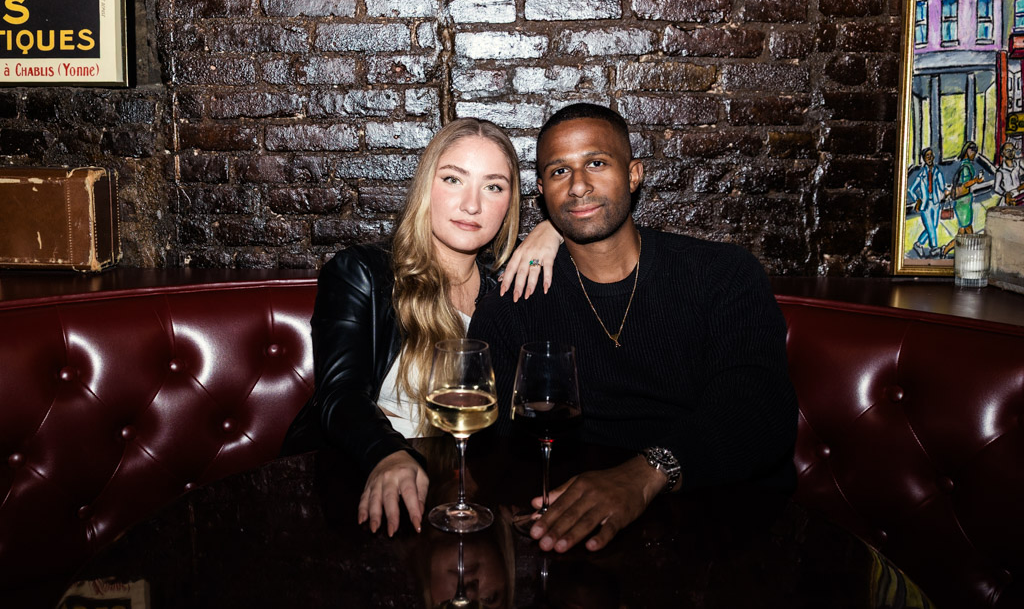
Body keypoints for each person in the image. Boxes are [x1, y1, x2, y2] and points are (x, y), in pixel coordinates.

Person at [468, 103, 797, 554]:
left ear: (634, 174)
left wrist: (645, 473)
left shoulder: (721, 275)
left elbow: (759, 410)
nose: (579, 185)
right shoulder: (514, 301)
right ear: (542, 191)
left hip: (721, 527)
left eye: (596, 163)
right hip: (575, 531)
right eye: (560, 171)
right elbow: (497, 447)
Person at [281, 117, 563, 536]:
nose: (472, 205)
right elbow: (339, 395)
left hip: (467, 498)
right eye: (453, 179)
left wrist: (556, 229)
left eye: (493, 186)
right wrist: (388, 454)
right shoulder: (363, 272)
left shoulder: (506, 296)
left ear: (510, 204)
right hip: (361, 477)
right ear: (426, 186)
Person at [942, 140, 984, 257]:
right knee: (966, 230)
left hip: (963, 201)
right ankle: (973, 251)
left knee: (964, 230)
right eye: (973, 150)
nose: (975, 153)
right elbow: (965, 184)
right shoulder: (966, 166)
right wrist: (976, 180)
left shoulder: (966, 164)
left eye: (975, 150)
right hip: (963, 202)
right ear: (967, 151)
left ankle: (948, 250)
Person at [907, 147, 947, 258]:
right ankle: (934, 248)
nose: (929, 158)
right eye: (926, 156)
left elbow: (943, 187)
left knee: (933, 226)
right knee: (930, 227)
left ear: (933, 157)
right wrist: (917, 200)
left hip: (935, 203)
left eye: (930, 155)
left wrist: (944, 188)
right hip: (925, 205)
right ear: (924, 159)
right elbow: (911, 189)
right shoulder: (921, 175)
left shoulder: (937, 172)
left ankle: (918, 244)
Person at [994, 140, 1023, 206]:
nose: (1010, 152)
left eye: (1012, 150)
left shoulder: (1017, 166)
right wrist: (1005, 194)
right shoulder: (1000, 171)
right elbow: (997, 188)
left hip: (1018, 198)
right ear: (1002, 153)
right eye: (1007, 150)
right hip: (1007, 200)